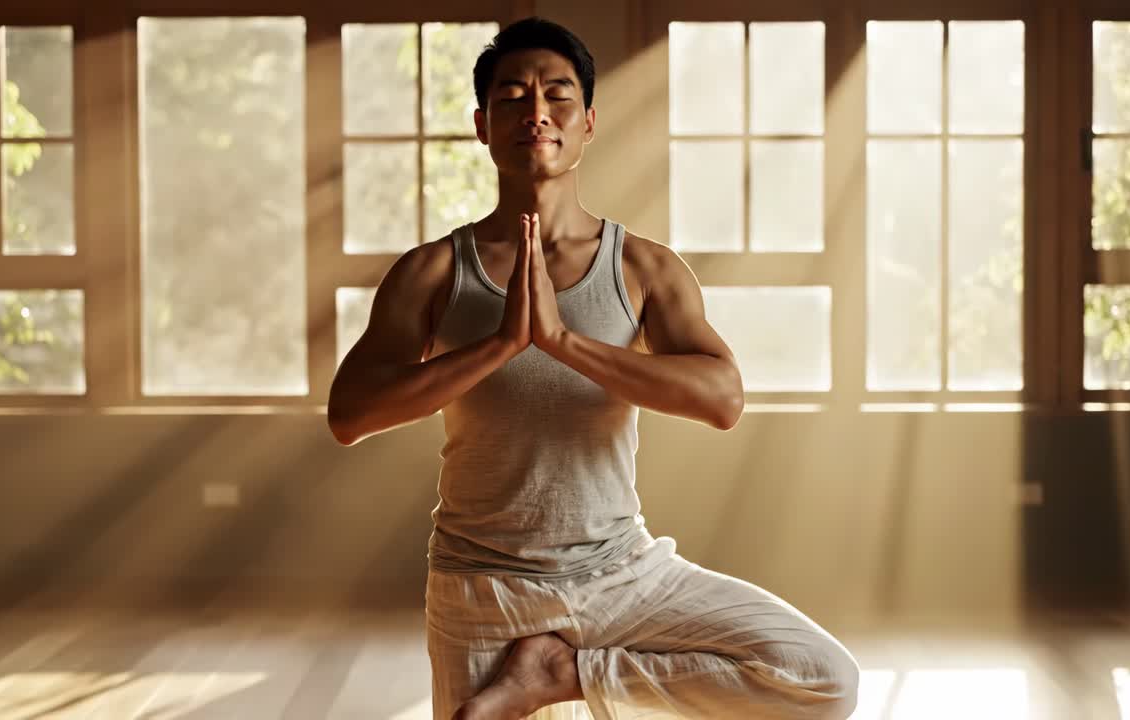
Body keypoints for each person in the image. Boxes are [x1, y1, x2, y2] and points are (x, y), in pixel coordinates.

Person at [327, 16, 859, 720]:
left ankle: (565, 671)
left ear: (588, 123)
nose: (537, 111)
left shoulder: (641, 266)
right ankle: (553, 669)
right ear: (484, 126)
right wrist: (497, 346)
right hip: (482, 585)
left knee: (823, 678)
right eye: (514, 96)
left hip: (622, 574)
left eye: (558, 94)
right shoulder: (431, 273)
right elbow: (350, 416)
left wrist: (563, 342)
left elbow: (723, 399)